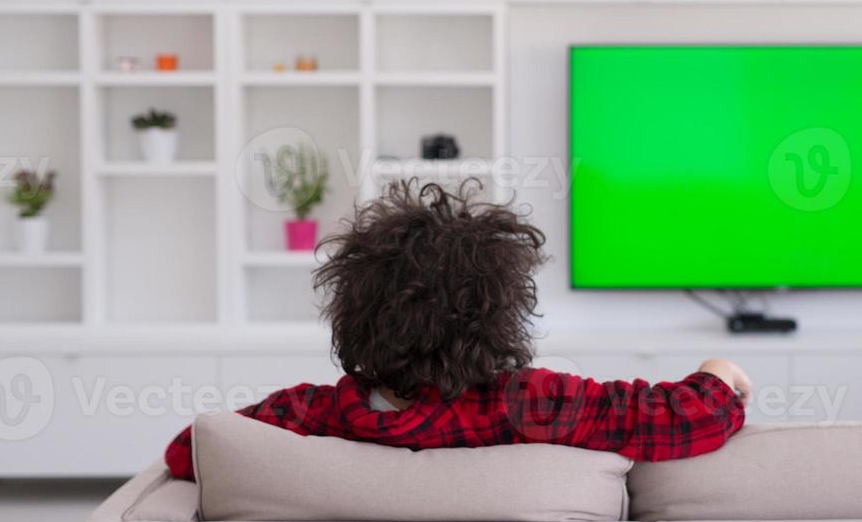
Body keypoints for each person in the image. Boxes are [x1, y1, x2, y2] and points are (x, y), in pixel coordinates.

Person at [163, 180, 749, 481]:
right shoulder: (537, 404)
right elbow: (686, 419)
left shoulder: (308, 416)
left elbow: (189, 453)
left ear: (355, 312)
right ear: (499, 315)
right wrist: (718, 372)